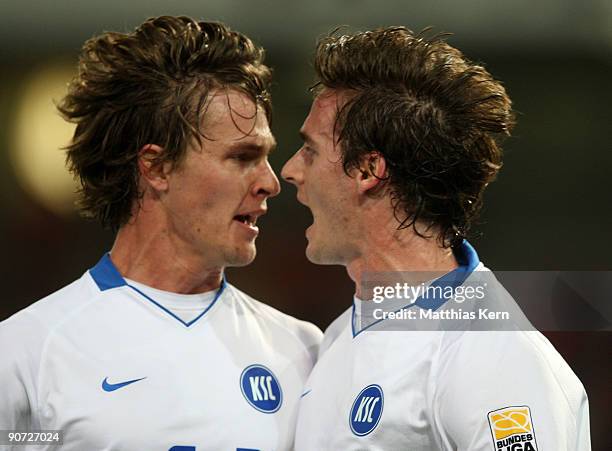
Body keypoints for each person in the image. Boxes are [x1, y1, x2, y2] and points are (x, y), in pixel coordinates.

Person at [0, 16, 321, 450]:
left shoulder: (303, 351)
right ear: (157, 166)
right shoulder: (27, 354)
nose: (270, 182)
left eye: (265, 156)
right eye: (242, 156)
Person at [282, 27, 591, 450]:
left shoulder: (494, 355)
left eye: (310, 150)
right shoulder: (339, 335)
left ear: (368, 170)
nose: (290, 171)